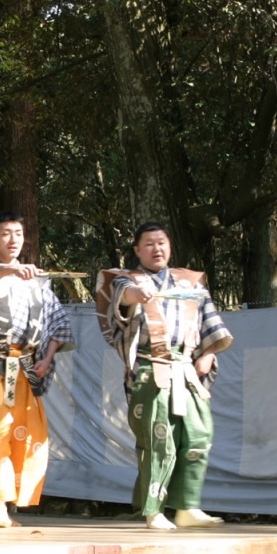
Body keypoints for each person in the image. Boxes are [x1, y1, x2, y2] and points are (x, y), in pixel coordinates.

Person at [100, 222, 233, 530]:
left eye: (161, 242)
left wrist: (208, 354)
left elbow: (211, 325)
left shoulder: (191, 284)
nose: (156, 248)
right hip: (151, 368)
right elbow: (123, 299)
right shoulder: (127, 280)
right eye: (148, 243)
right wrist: (137, 294)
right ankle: (153, 511)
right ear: (137, 250)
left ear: (170, 246)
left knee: (199, 434)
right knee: (159, 439)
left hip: (186, 368)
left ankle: (187, 507)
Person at [0, 212, 74, 527]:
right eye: (5, 233)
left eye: (18, 233)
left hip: (25, 369)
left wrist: (47, 356)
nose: (13, 239)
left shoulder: (37, 283)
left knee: (27, 436)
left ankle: (6, 503)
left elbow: (60, 324)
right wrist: (12, 270)